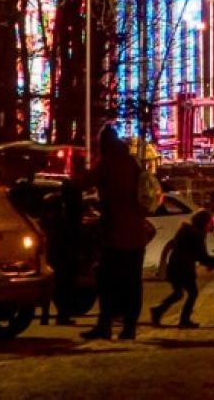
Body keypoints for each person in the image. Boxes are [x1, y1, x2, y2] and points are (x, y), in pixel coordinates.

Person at [82, 125, 152, 341]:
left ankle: (105, 325)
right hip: (136, 233)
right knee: (132, 282)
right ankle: (129, 327)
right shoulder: (132, 163)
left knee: (107, 281)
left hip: (115, 235)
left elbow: (84, 183)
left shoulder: (107, 164)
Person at [150, 208, 214, 328]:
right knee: (193, 293)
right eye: (209, 222)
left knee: (178, 293)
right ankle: (184, 319)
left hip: (174, 266)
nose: (210, 225)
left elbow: (172, 245)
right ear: (203, 223)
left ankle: (158, 311)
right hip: (184, 268)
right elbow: (202, 257)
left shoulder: (184, 230)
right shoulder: (197, 235)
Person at [39, 181, 85, 326]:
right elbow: (75, 228)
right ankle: (62, 315)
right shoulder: (71, 207)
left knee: (55, 283)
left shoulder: (54, 204)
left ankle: (46, 315)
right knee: (66, 284)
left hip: (55, 248)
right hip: (66, 249)